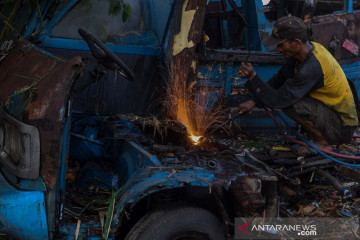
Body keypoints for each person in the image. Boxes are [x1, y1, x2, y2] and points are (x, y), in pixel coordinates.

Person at [238, 15, 358, 152]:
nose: (278, 49)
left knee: (289, 102)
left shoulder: (311, 67)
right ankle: (316, 137)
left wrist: (253, 77)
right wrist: (254, 101)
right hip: (330, 114)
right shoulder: (304, 52)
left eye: (281, 45)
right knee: (287, 95)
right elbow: (279, 79)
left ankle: (324, 143)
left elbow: (279, 100)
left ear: (297, 42)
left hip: (341, 127)